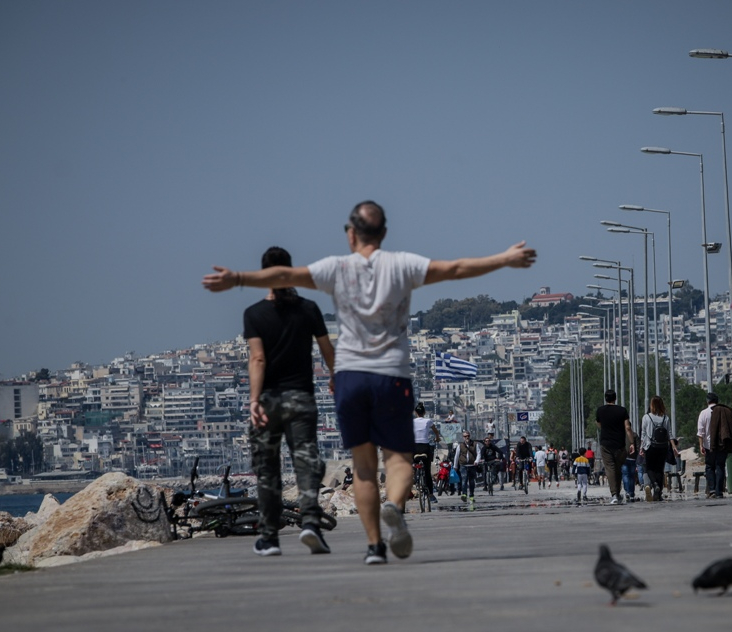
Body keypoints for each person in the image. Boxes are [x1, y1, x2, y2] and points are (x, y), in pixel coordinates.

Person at [203, 200, 536, 564]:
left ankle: (375, 546)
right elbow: (455, 268)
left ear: (350, 234)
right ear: (384, 233)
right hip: (391, 375)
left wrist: (236, 278)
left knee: (362, 466)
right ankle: (394, 503)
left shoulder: (335, 269)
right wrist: (503, 258)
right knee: (398, 458)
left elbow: (282, 276)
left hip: (349, 376)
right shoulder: (402, 265)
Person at [243, 246, 335, 557]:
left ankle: (269, 537)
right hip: (301, 399)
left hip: (268, 400)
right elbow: (326, 349)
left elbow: (257, 359)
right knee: (306, 463)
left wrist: (254, 400)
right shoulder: (308, 309)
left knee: (268, 470)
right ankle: (310, 522)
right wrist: (335, 376)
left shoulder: (254, 314)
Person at [595, 389, 634, 505]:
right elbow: (627, 427)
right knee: (617, 468)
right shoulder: (622, 411)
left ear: (605, 398)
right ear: (615, 398)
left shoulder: (600, 411)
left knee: (610, 468)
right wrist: (631, 442)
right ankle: (617, 492)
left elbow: (598, 424)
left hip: (606, 444)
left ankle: (614, 494)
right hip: (620, 444)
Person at [640, 396, 673, 502]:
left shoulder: (646, 417)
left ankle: (654, 484)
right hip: (663, 447)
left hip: (650, 446)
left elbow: (643, 434)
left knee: (649, 468)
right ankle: (658, 493)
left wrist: (641, 447)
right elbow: (669, 434)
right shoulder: (665, 418)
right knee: (660, 469)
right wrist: (673, 447)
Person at [412, 402, 441, 503]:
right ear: (424, 412)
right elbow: (436, 432)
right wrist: (437, 439)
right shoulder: (428, 421)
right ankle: (431, 495)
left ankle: (414, 474)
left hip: (414, 448)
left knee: (412, 463)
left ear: (415, 413)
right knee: (427, 472)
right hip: (425, 448)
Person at [455, 431, 481, 503]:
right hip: (463, 466)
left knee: (472, 481)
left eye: (468, 436)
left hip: (472, 465)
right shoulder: (460, 446)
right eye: (465, 436)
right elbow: (456, 456)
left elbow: (479, 454)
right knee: (464, 480)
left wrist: (476, 461)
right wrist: (455, 466)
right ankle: (464, 494)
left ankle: (471, 496)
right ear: (463, 437)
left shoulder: (475, 444)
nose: (467, 437)